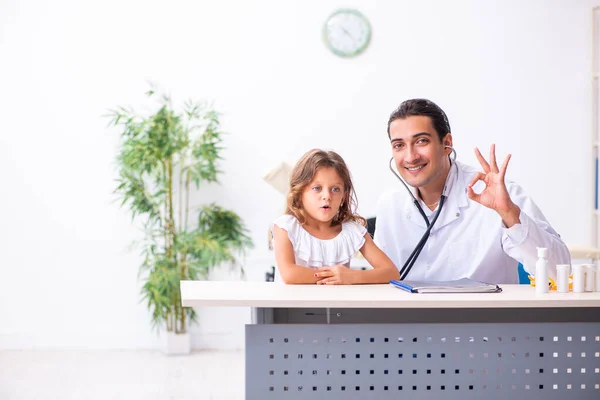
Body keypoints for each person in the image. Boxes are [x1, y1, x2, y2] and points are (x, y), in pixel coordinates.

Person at [375, 98, 570, 284]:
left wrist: (509, 214)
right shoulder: (389, 205)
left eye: (421, 141)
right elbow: (381, 281)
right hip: (408, 317)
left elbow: (559, 270)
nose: (410, 157)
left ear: (446, 143)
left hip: (483, 317)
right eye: (399, 145)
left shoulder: (497, 192)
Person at [272, 149, 399, 284]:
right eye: (317, 188)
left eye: (335, 189)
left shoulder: (353, 231)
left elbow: (391, 273)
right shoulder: (286, 227)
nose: (327, 196)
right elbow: (290, 274)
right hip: (293, 305)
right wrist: (335, 276)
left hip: (336, 305)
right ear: (299, 192)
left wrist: (352, 276)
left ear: (344, 196)